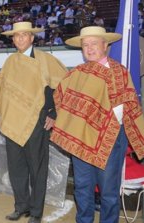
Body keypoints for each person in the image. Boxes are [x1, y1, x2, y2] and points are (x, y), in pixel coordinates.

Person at [51, 26, 144, 223]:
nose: (89, 48)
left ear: (105, 45)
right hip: (81, 139)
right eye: (85, 45)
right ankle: (84, 220)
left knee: (108, 189)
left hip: (109, 140)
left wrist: (102, 119)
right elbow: (59, 97)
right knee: (82, 186)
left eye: (94, 43)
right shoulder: (76, 74)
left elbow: (130, 107)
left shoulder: (119, 72)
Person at [0, 22, 67, 223]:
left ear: (32, 38)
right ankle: (21, 206)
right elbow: (2, 90)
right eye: (17, 36)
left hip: (37, 122)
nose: (20, 39)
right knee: (16, 168)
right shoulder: (10, 62)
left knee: (37, 169)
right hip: (12, 120)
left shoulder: (46, 60)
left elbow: (62, 88)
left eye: (25, 35)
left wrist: (53, 113)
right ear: (13, 39)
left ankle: (36, 212)